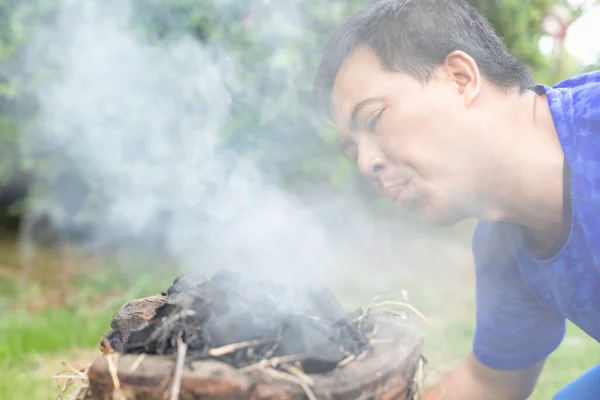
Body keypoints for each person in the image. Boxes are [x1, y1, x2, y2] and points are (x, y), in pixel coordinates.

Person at [312, 0, 600, 398]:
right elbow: (491, 384)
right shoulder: (504, 245)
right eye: (352, 150)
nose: (365, 163)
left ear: (460, 78)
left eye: (374, 120)